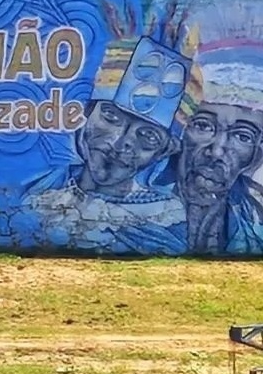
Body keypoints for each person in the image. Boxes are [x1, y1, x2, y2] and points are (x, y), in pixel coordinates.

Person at [22, 37, 190, 253]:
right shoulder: (41, 194)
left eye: (148, 136)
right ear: (86, 113)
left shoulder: (164, 218)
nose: (119, 142)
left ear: (165, 151)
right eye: (110, 116)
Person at [172, 45, 263, 254]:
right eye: (203, 126)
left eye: (242, 136)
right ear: (182, 131)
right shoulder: (130, 207)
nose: (217, 151)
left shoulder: (254, 214)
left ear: (256, 156)